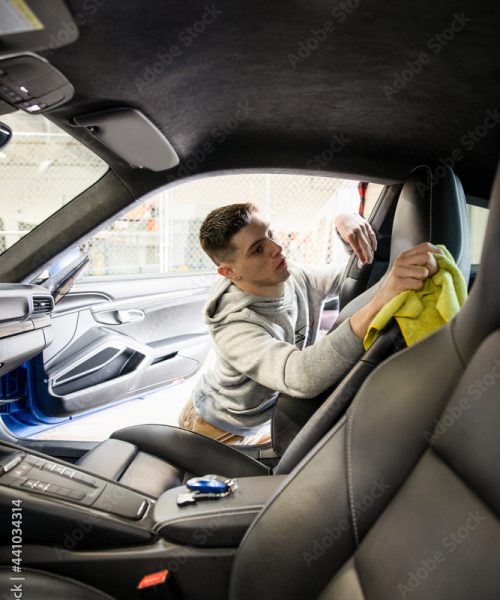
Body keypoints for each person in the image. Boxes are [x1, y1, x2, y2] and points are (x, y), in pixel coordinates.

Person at [178, 202, 441, 444]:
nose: (276, 248)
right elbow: (299, 376)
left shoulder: (293, 276)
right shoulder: (233, 327)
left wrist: (344, 222)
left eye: (270, 233)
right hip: (215, 426)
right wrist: (380, 301)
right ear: (229, 272)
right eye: (258, 249)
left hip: (262, 419)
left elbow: (348, 279)